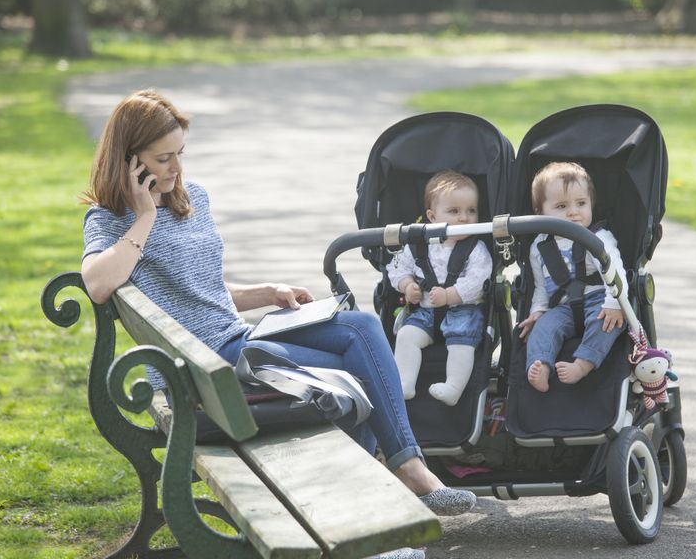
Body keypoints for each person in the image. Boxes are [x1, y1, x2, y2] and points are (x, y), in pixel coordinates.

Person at [79, 90, 476, 531]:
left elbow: (200, 288)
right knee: (354, 382)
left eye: (180, 154)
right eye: (162, 158)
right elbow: (97, 285)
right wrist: (144, 216)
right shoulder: (111, 217)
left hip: (239, 341)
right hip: (202, 368)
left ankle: (405, 472)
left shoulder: (194, 199)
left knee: (360, 327)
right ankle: (370, 526)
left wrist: (267, 291)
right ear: (131, 162)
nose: (176, 167)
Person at [518, 162, 627, 393]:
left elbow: (616, 271)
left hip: (599, 300)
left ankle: (582, 364)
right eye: (561, 206)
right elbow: (540, 287)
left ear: (591, 204)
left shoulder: (599, 237)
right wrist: (537, 312)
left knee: (606, 325)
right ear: (540, 212)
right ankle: (540, 366)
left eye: (581, 203)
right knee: (542, 330)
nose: (573, 212)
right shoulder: (539, 246)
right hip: (563, 307)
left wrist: (614, 302)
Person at [387, 170, 491, 406]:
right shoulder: (418, 246)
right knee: (406, 336)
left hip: (463, 309)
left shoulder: (476, 249)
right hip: (425, 311)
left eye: (471, 211)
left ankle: (453, 387)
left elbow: (478, 280)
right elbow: (395, 267)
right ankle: (404, 382)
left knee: (461, 340)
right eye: (454, 211)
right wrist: (407, 285)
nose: (464, 218)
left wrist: (450, 295)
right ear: (432, 217)